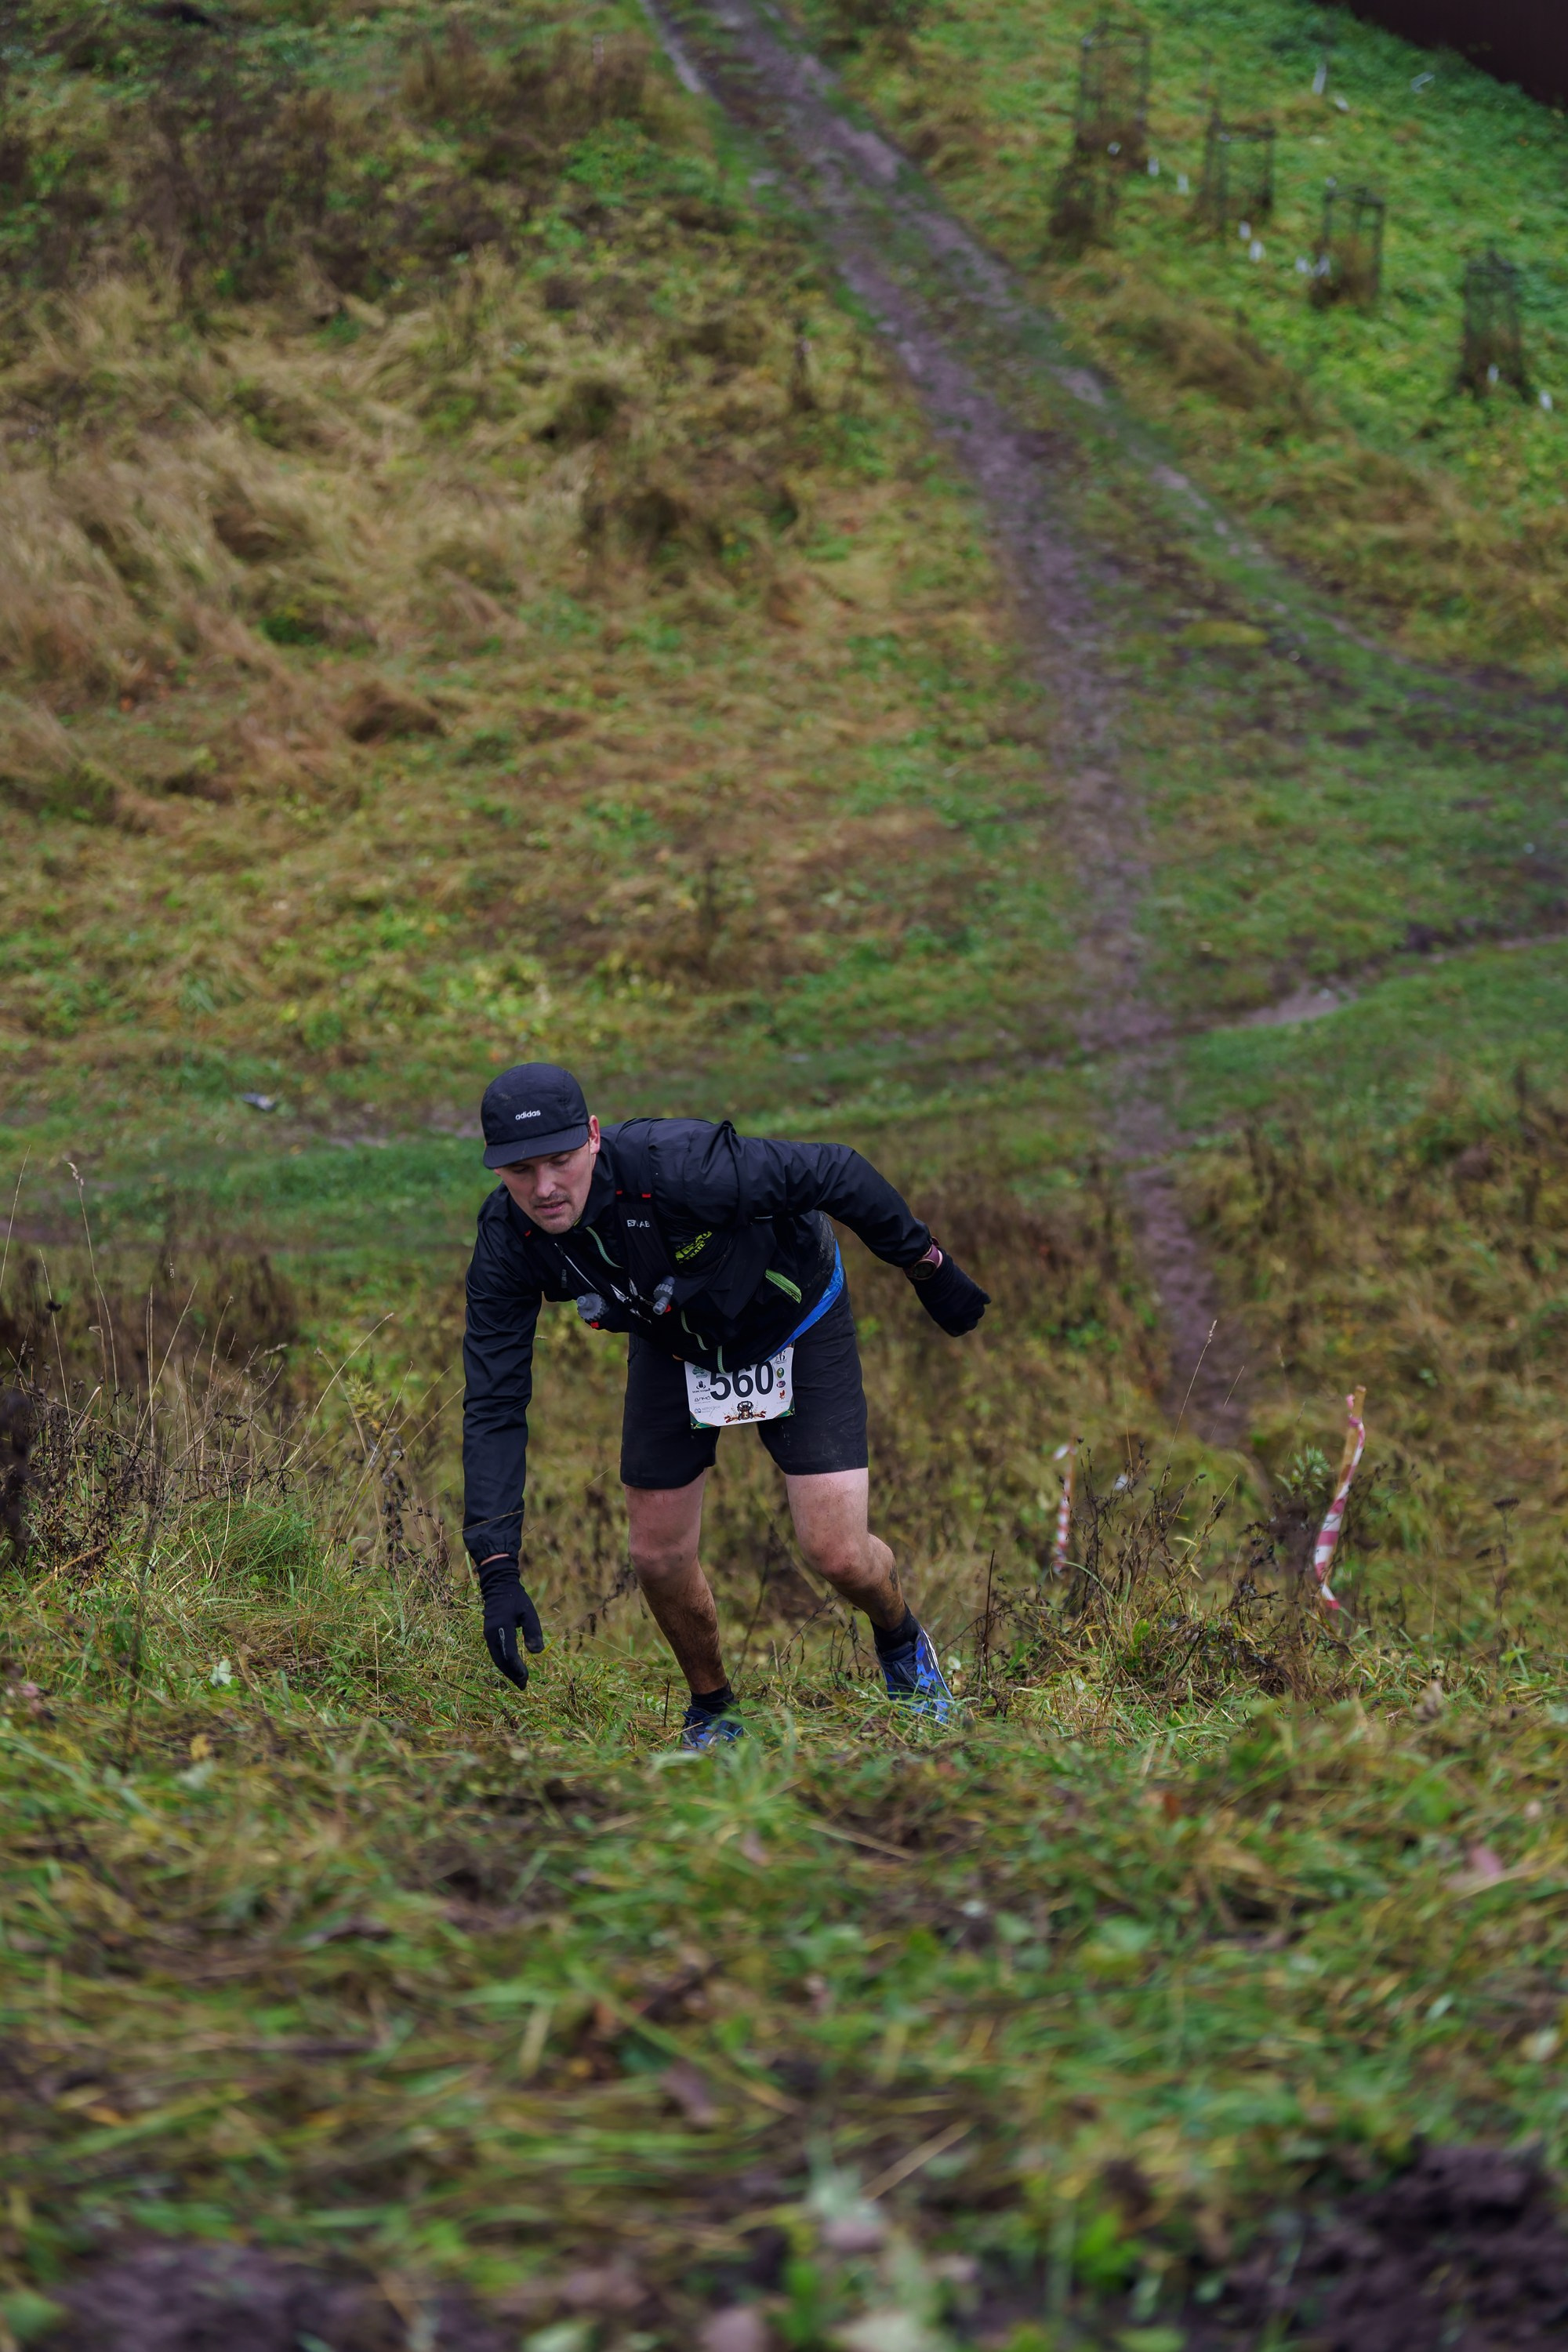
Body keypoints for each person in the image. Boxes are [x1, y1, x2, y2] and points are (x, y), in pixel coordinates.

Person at [462, 1062, 989, 1747]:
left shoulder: (680, 1164)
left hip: (796, 1320)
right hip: (674, 1342)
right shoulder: (508, 1237)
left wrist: (926, 1265)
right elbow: (495, 1401)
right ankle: (714, 1713)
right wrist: (496, 1566)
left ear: (592, 1137)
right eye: (519, 1171)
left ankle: (902, 1646)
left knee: (837, 1554)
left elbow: (838, 1172)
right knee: (656, 1556)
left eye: (560, 1161)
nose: (544, 1189)